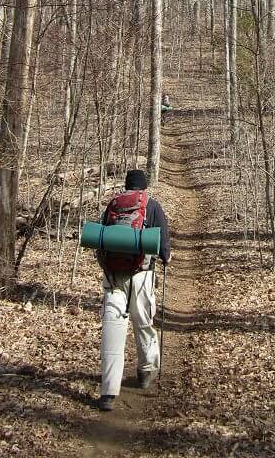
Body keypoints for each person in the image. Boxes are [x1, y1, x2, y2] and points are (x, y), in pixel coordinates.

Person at [98, 169, 171, 412]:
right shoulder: (152, 206)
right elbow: (163, 240)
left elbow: (100, 240)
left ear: (126, 185)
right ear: (144, 187)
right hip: (142, 274)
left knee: (112, 327)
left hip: (114, 276)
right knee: (143, 322)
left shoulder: (113, 205)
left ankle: (108, 391)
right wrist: (165, 258)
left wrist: (107, 267)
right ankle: (146, 371)